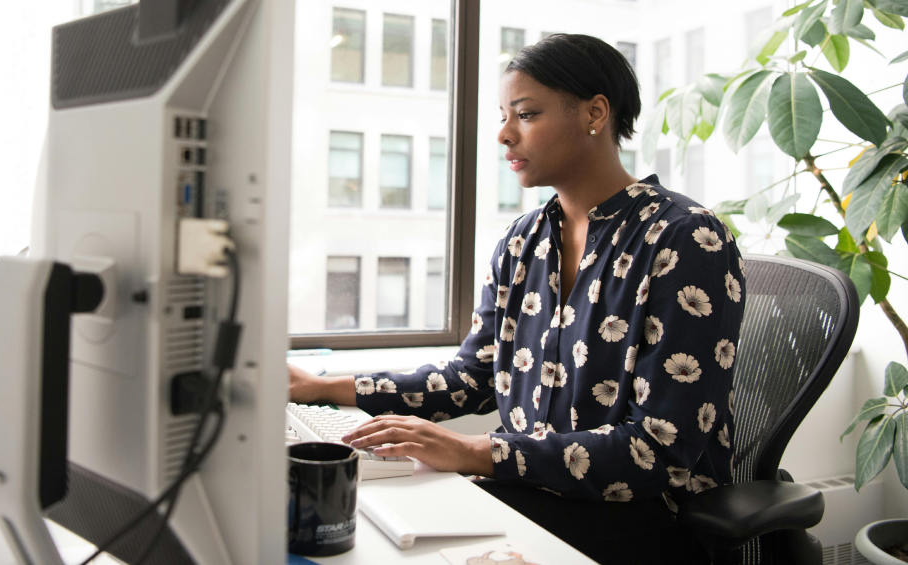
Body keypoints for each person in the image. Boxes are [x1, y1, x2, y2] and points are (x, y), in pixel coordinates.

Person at [289, 33, 744, 565]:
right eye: (504, 116)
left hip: (647, 517)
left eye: (525, 115)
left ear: (595, 113)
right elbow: (473, 378)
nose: (505, 134)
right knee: (347, 524)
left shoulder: (686, 238)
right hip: (533, 494)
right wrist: (324, 388)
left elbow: (657, 450)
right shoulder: (524, 239)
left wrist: (474, 452)